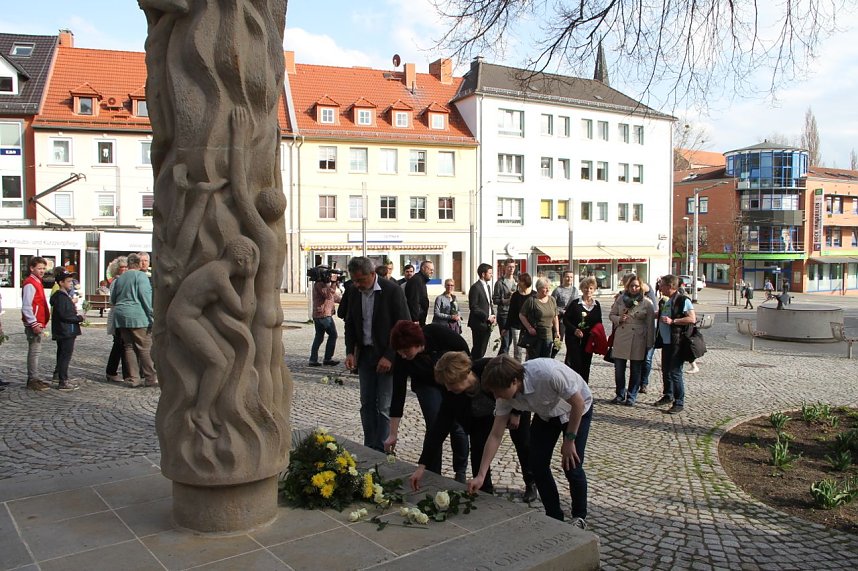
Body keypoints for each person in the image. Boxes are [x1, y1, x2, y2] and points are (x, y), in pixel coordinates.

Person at [470, 355, 593, 529]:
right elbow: (495, 435)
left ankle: (579, 517)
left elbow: (578, 402)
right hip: (546, 413)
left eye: (498, 391)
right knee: (537, 465)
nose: (496, 396)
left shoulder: (547, 373)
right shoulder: (504, 396)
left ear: (514, 381)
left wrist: (569, 440)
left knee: (572, 465)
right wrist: (481, 475)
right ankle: (554, 516)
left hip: (576, 410)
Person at [409, 351, 537, 503]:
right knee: (478, 450)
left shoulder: (488, 369)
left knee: (523, 443)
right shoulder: (451, 394)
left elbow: (516, 384)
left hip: (514, 405)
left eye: (451, 384)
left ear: (463, 375)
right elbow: (439, 428)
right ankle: (484, 489)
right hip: (481, 419)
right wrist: (422, 466)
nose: (448, 389)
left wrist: (516, 412)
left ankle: (531, 482)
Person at [343, 256, 411, 451]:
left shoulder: (392, 291)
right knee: (366, 404)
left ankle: (383, 448)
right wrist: (350, 352)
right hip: (365, 356)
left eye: (361, 280)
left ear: (372, 274)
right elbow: (350, 324)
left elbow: (403, 325)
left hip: (386, 357)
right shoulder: (354, 292)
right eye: (354, 280)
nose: (357, 284)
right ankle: (369, 446)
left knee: (384, 406)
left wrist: (390, 356)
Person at [388, 321, 470, 481]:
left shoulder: (437, 333)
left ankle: (460, 472)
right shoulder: (402, 358)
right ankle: (433, 473)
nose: (403, 355)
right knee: (434, 425)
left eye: (406, 350)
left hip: (452, 381)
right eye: (400, 352)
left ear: (417, 343)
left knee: (458, 426)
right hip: (425, 385)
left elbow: (465, 353)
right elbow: (398, 393)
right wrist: (393, 433)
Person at [111, 253, 157, 388]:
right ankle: (150, 378)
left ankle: (134, 378)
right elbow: (145, 297)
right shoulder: (141, 276)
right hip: (138, 316)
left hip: (121, 316)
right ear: (138, 264)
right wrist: (152, 314)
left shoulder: (120, 279)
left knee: (129, 347)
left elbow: (113, 298)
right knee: (144, 347)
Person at [608, 276, 655, 405]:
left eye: (636, 286)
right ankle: (619, 394)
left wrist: (650, 344)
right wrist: (619, 319)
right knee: (619, 369)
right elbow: (611, 315)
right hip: (622, 336)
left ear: (641, 287)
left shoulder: (647, 303)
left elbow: (650, 325)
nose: (634, 288)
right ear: (627, 287)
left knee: (635, 370)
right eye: (631, 286)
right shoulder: (620, 300)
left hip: (638, 338)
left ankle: (631, 396)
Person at [653, 275, 697, 414]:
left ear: (670, 286)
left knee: (675, 372)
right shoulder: (666, 300)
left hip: (677, 342)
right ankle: (668, 395)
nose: (659, 287)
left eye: (662, 285)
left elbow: (692, 318)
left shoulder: (683, 300)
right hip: (666, 342)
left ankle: (679, 402)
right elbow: (663, 315)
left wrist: (673, 322)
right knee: (666, 370)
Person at [50, 269, 84, 391]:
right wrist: (79, 318)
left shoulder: (64, 296)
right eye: (68, 281)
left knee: (62, 354)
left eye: (71, 281)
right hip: (66, 330)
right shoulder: (61, 297)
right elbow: (65, 315)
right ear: (61, 282)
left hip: (65, 330)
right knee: (65, 355)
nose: (71, 284)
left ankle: (60, 376)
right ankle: (63, 381)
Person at [563, 276, 601, 382]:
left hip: (589, 340)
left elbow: (599, 322)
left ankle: (584, 388)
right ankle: (573, 387)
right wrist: (574, 330)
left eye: (590, 288)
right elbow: (565, 320)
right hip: (574, 339)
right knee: (576, 364)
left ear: (594, 290)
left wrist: (596, 333)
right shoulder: (575, 304)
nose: (588, 290)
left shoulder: (596, 305)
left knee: (586, 364)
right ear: (582, 289)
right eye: (585, 288)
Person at [21, 256, 50, 391]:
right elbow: (27, 306)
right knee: (34, 352)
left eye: (44, 268)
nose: (42, 271)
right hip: (34, 323)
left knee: (36, 351)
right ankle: (32, 379)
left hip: (38, 322)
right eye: (39, 268)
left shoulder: (37, 282)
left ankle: (35, 377)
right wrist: (33, 323)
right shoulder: (30, 283)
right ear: (32, 268)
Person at [519, 278, 559, 360]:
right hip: (535, 335)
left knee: (546, 359)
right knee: (534, 359)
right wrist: (529, 328)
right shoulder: (531, 300)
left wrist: (557, 331)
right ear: (538, 288)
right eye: (545, 287)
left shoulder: (552, 300)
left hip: (548, 335)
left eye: (549, 287)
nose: (548, 289)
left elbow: (555, 316)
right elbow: (522, 315)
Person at [309, 269, 342, 367]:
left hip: (322, 314)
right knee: (333, 335)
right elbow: (328, 295)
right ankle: (327, 358)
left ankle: (313, 359)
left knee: (319, 337)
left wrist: (346, 301)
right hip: (323, 315)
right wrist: (333, 283)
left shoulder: (323, 285)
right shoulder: (319, 285)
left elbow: (334, 297)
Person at [105, 257, 129, 383]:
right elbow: (113, 300)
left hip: (120, 313)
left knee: (121, 345)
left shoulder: (124, 280)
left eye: (126, 267)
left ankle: (116, 371)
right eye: (122, 267)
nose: (124, 269)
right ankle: (113, 371)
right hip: (118, 315)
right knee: (120, 344)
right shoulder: (116, 281)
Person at [467, 263, 496, 359]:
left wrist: (493, 315)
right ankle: (472, 367)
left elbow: (489, 303)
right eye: (490, 273)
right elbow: (473, 306)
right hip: (478, 323)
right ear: (483, 274)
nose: (492, 275)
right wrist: (487, 316)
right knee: (478, 349)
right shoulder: (475, 287)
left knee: (483, 349)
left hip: (487, 323)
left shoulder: (487, 287)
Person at [507, 273, 534, 362]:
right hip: (516, 326)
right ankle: (517, 369)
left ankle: (528, 367)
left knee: (529, 350)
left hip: (530, 326)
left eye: (520, 281)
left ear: (525, 282)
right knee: (518, 350)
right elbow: (511, 312)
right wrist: (506, 327)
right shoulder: (515, 295)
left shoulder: (534, 295)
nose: (518, 283)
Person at [638, 280, 659, 394]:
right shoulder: (631, 299)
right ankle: (637, 382)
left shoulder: (649, 294)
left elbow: (646, 287)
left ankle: (644, 383)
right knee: (638, 359)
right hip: (638, 332)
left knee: (647, 359)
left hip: (652, 331)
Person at [492, 259, 517, 355]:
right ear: (505, 268)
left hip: (514, 315)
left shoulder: (516, 281)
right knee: (505, 342)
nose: (511, 269)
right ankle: (501, 363)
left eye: (513, 267)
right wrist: (507, 300)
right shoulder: (500, 283)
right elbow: (495, 300)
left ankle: (502, 361)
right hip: (504, 315)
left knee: (511, 341)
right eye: (509, 267)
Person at [552, 271, 579, 343]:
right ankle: (551, 354)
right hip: (561, 319)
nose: (569, 279)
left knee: (572, 341)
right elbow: (552, 305)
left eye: (571, 277)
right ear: (563, 278)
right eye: (567, 277)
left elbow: (577, 304)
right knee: (558, 341)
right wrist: (562, 311)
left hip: (571, 319)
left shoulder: (575, 290)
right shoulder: (557, 290)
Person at [405, 260, 433, 326]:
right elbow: (413, 301)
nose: (432, 272)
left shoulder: (421, 280)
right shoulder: (416, 280)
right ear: (423, 268)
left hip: (420, 318)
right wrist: (415, 319)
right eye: (430, 269)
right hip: (417, 321)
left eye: (432, 270)